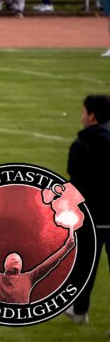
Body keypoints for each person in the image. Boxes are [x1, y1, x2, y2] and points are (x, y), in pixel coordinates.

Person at [0, 225, 76, 303]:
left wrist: (66, 248)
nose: (16, 260)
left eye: (17, 260)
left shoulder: (25, 277)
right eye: (14, 259)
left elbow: (50, 264)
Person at [67, 94, 110, 322]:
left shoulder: (82, 143)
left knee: (84, 264)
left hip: (93, 216)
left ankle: (79, 310)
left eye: (84, 112)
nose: (82, 116)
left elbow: (76, 183)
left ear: (92, 116)